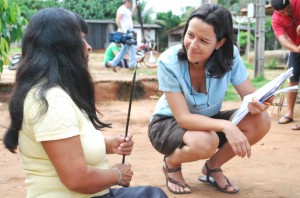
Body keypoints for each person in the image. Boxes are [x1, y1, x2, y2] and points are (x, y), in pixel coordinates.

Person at [2, 8, 167, 198]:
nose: (88, 46)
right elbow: (77, 179)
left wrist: (110, 145)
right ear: (61, 46)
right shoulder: (51, 102)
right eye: (81, 39)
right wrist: (116, 174)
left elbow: (71, 143)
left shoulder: (55, 92)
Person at [148, 4, 271, 195]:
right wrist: (227, 126)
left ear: (220, 43)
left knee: (261, 120)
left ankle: (212, 168)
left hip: (209, 122)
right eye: (190, 35)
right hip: (167, 124)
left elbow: (249, 96)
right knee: (207, 141)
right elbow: (183, 119)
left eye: (204, 40)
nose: (193, 45)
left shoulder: (230, 56)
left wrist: (260, 102)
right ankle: (171, 163)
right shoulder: (168, 61)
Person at [270, 0, 300, 130]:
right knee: (292, 79)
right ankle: (289, 113)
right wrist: (296, 49)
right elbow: (282, 39)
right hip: (296, 48)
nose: (287, 12)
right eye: (283, 11)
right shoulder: (276, 19)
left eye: (288, 8)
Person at [107, 0, 138, 71]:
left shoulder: (127, 10)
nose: (131, 4)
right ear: (127, 2)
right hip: (124, 32)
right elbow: (117, 19)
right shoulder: (121, 9)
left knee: (125, 49)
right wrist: (121, 29)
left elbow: (131, 15)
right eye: (131, 3)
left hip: (128, 32)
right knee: (132, 46)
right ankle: (132, 65)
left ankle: (113, 63)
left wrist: (135, 7)